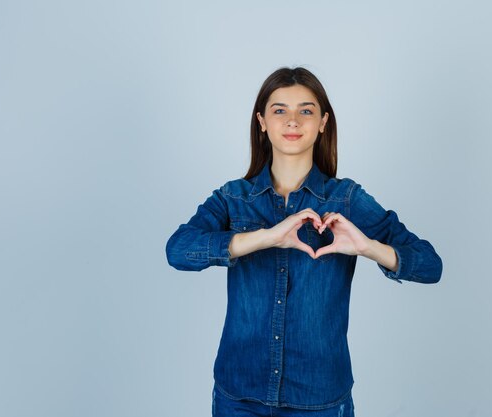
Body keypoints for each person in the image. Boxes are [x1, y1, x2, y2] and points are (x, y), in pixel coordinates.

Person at [165, 66, 443, 417]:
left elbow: (430, 265)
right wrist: (265, 237)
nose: (292, 121)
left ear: (323, 122)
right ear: (262, 122)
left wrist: (366, 247)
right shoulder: (234, 198)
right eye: (279, 110)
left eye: (306, 111)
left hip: (319, 399)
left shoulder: (345, 200)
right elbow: (177, 250)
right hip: (239, 395)